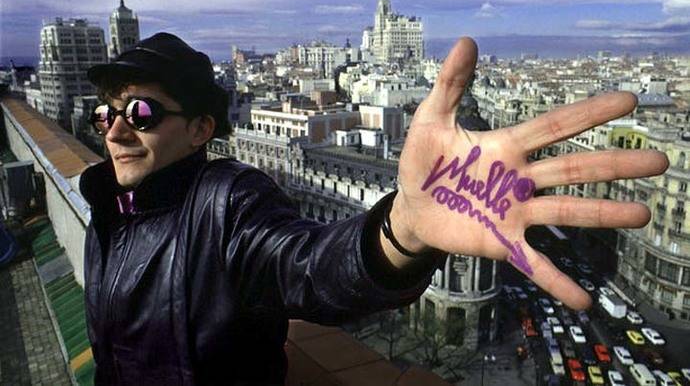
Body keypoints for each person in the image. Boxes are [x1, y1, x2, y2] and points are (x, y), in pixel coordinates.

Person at [81, 32, 667, 385]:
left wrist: (404, 229)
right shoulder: (107, 208)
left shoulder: (226, 203)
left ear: (201, 129)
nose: (116, 131)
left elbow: (310, 265)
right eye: (106, 115)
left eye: (141, 114)